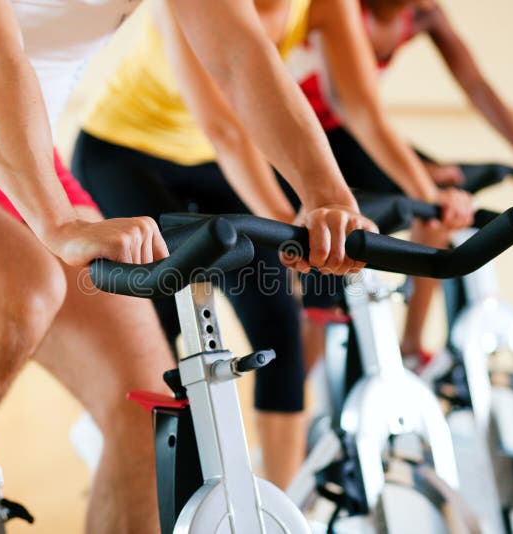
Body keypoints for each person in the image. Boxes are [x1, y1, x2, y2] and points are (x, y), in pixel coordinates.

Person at [0, 1, 375, 533]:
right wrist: (57, 223)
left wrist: (327, 195)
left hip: (24, 167)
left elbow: (240, 55)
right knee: (25, 286)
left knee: (145, 412)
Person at [70, 0, 474, 488]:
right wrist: (286, 221)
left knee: (279, 323)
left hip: (208, 163)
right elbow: (225, 126)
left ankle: (282, 500)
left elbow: (360, 107)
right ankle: (129, 459)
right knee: (159, 330)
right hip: (123, 153)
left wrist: (429, 199)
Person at [290, 0, 513, 363]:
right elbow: (347, 103)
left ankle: (411, 347)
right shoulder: (343, 9)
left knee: (433, 211)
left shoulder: (424, 14)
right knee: (327, 262)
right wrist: (419, 173)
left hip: (351, 136)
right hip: (301, 136)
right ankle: (305, 378)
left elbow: (475, 83)